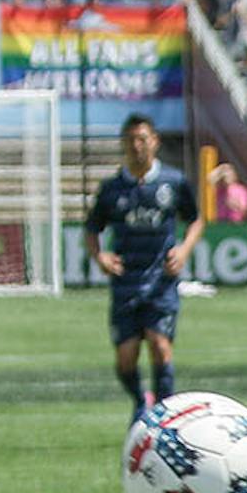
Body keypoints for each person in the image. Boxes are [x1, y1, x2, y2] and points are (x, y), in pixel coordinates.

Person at [86, 113, 202, 425]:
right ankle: (140, 400)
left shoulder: (173, 182)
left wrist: (184, 249)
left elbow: (196, 219)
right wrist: (101, 257)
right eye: (131, 141)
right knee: (125, 358)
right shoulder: (112, 188)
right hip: (126, 280)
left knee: (160, 346)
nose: (137, 146)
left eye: (143, 139)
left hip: (161, 279)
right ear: (123, 145)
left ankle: (164, 416)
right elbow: (91, 228)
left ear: (155, 142)